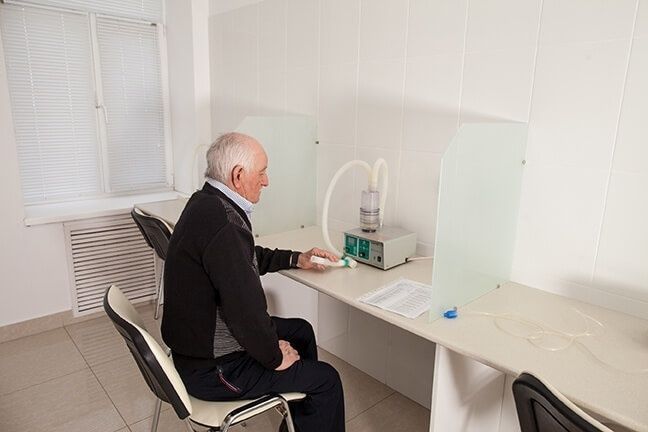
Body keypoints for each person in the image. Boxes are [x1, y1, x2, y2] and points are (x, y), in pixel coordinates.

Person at [161, 132, 345, 432]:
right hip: (215, 370)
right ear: (238, 175)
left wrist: (296, 258)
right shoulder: (224, 223)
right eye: (261, 172)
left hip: (195, 350)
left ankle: (301, 423)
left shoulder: (206, 203)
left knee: (300, 331)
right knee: (327, 380)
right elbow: (245, 312)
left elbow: (243, 257)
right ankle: (307, 402)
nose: (266, 181)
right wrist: (274, 357)